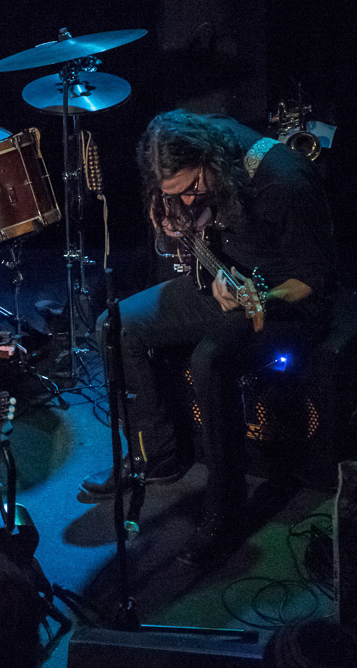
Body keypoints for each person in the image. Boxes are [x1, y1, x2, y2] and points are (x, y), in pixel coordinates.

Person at [77, 110, 337, 566]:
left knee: (210, 359)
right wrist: (198, 252)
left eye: (191, 188)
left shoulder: (284, 181)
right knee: (113, 325)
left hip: (284, 299)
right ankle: (157, 455)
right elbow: (197, 224)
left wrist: (260, 296)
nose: (188, 199)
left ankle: (226, 513)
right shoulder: (193, 166)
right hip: (223, 282)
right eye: (173, 192)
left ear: (211, 160)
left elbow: (314, 278)